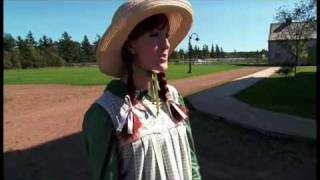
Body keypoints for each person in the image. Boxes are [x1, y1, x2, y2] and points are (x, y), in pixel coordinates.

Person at [82, 0, 201, 179]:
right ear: (130, 46)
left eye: (166, 35)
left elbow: (192, 166)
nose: (166, 44)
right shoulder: (105, 114)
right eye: (154, 35)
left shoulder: (174, 98)